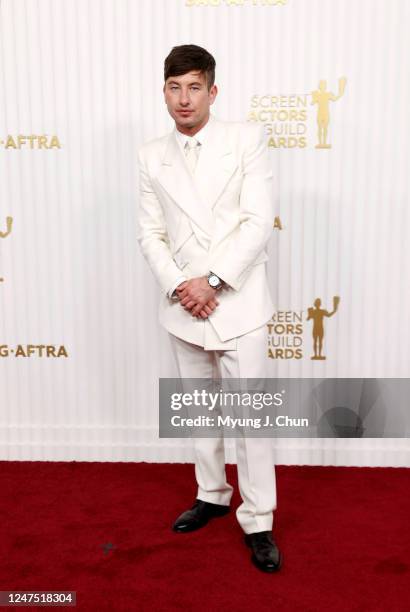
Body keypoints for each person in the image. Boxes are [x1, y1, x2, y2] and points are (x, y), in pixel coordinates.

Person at [137, 44, 282, 573]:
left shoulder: (247, 138)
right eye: (174, 87)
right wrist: (182, 286)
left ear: (212, 91)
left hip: (236, 298)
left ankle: (259, 518)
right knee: (198, 409)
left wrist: (213, 281)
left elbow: (257, 220)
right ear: (164, 92)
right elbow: (150, 233)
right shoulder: (151, 153)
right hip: (184, 304)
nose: (184, 98)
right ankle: (211, 494)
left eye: (194, 86)